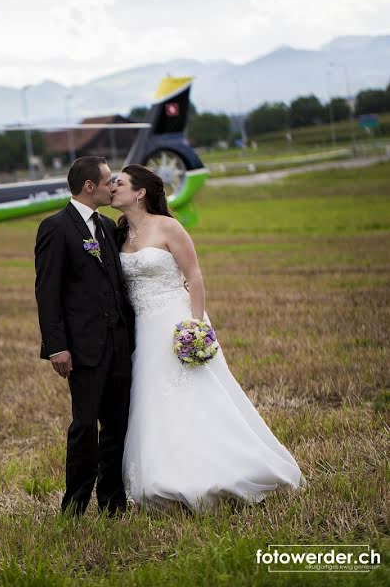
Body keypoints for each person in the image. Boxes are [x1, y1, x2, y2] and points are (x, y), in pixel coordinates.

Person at [110, 164, 303, 511]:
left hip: (176, 321)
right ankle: (163, 478)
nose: (112, 187)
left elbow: (194, 275)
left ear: (139, 192)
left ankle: (225, 470)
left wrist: (196, 326)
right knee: (152, 400)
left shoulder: (168, 226)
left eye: (119, 183)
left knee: (196, 395)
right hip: (143, 328)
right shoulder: (120, 235)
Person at [34, 156, 135, 516]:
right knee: (83, 427)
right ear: (89, 186)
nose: (113, 186)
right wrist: (56, 346)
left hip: (119, 345)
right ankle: (74, 505)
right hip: (83, 349)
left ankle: (113, 504)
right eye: (109, 181)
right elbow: (47, 293)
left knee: (116, 425)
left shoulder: (108, 227)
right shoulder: (55, 227)